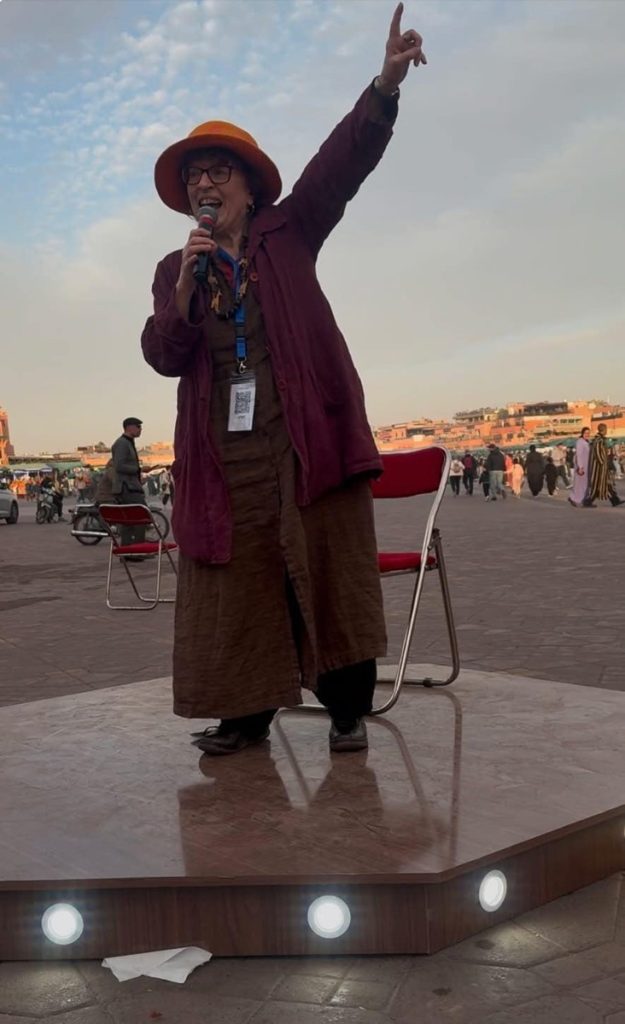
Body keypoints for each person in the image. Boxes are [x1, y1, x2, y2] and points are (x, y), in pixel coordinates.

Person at [141, 6, 427, 756]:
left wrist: (385, 85)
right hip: (225, 454)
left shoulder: (290, 229)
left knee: (328, 566)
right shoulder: (178, 268)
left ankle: (344, 710)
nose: (206, 181)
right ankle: (244, 715)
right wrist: (180, 299)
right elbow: (164, 354)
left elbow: (342, 163)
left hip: (305, 438)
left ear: (247, 185)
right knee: (238, 582)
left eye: (218, 169)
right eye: (195, 174)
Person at [111, 417, 148, 544]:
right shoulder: (122, 443)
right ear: (129, 427)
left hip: (129, 486)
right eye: (138, 426)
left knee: (129, 521)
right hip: (127, 488)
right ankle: (137, 549)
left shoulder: (128, 442)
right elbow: (119, 465)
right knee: (141, 516)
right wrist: (137, 469)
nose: (140, 429)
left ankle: (128, 552)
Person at [585, 423, 623, 507]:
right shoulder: (599, 441)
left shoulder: (599, 440)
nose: (606, 431)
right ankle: (588, 501)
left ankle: (615, 500)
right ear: (604, 430)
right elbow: (598, 454)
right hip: (599, 469)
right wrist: (603, 464)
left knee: (606, 485)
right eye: (606, 429)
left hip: (602, 468)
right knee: (597, 486)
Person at [569, 427, 590, 507]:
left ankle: (582, 499)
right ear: (582, 433)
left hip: (586, 466)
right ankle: (574, 498)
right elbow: (579, 455)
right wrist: (580, 467)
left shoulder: (586, 442)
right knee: (579, 484)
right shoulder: (580, 442)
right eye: (585, 433)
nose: (587, 435)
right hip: (581, 467)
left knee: (583, 484)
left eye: (588, 433)